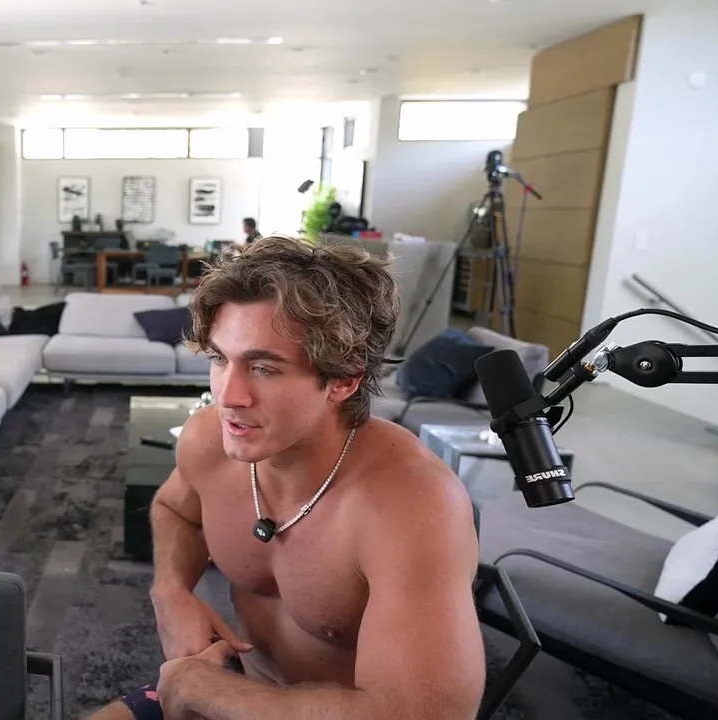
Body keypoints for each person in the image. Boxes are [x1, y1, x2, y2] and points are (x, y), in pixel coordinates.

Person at [91, 236, 485, 719]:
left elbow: (428, 716)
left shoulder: (413, 503)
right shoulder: (208, 440)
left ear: (343, 379)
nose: (228, 396)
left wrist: (203, 689)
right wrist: (170, 590)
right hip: (239, 684)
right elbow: (175, 508)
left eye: (262, 368)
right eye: (219, 359)